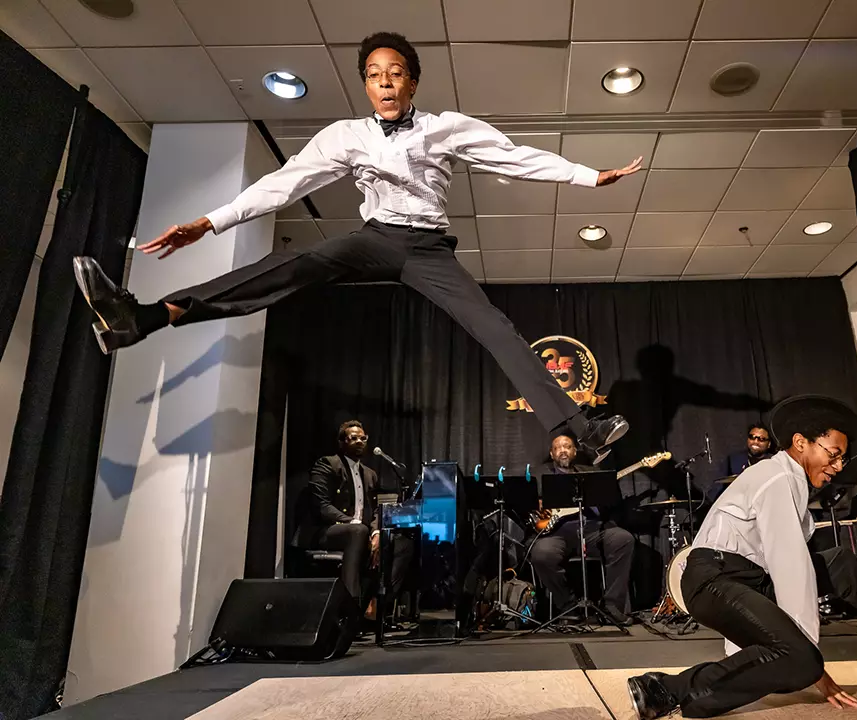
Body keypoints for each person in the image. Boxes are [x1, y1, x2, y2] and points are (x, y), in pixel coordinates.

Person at [71, 31, 637, 463]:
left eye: (395, 74)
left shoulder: (446, 127)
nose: (385, 83)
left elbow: (513, 157)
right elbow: (284, 184)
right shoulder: (346, 136)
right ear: (366, 85)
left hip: (429, 251)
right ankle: (141, 318)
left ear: (412, 82)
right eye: (374, 75)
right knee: (293, 263)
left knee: (496, 329)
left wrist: (588, 177)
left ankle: (580, 430)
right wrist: (210, 221)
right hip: (376, 238)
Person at [626, 396, 857, 719]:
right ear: (800, 443)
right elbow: (791, 567)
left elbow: (790, 568)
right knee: (802, 662)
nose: (838, 467)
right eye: (833, 455)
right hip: (714, 578)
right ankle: (666, 687)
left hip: (746, 580)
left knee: (843, 564)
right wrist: (808, 659)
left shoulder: (793, 485)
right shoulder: (778, 478)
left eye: (842, 460)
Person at [292, 420, 413, 619]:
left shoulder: (370, 474)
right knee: (358, 531)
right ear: (342, 442)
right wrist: (352, 523)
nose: (359, 441)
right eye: (353, 438)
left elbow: (376, 510)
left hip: (359, 533)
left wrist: (376, 532)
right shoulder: (327, 464)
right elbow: (321, 505)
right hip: (325, 531)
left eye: (363, 438)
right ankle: (350, 607)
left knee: (401, 543)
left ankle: (378, 606)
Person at [529, 435, 634, 626]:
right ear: (551, 454)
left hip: (593, 530)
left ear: (574, 452)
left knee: (623, 539)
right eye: (558, 448)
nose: (563, 450)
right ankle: (568, 606)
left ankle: (612, 606)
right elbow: (529, 504)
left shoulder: (592, 473)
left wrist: (603, 495)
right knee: (541, 554)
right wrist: (540, 505)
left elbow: (611, 503)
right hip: (558, 533)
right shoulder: (538, 475)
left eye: (567, 446)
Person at [705, 424, 775, 503]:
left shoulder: (773, 461)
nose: (756, 441)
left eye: (761, 439)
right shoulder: (734, 459)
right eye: (752, 437)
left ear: (769, 444)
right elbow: (717, 487)